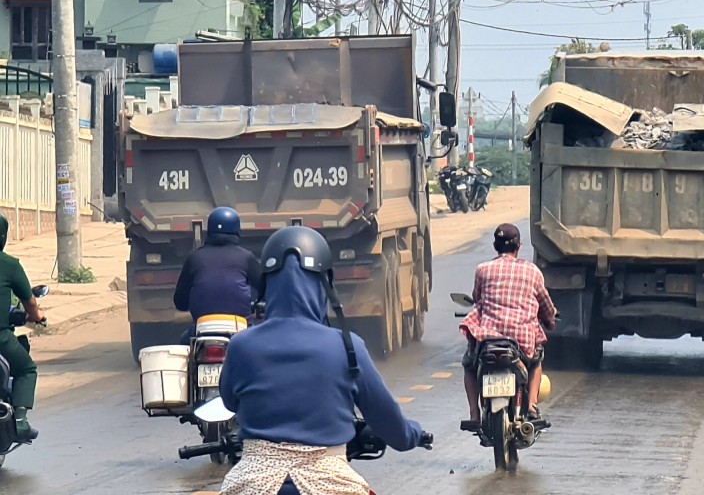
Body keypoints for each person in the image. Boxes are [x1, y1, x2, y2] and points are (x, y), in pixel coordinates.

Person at [218, 225, 430, 495]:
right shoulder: (348, 346)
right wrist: (411, 434)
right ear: (325, 284)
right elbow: (386, 420)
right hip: (330, 482)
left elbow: (229, 401)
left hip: (253, 481)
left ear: (266, 283)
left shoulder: (241, 345)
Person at [459, 223, 557, 432]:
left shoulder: (482, 270)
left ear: (495, 245)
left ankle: (474, 414)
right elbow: (545, 305)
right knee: (536, 361)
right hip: (521, 342)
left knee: (469, 364)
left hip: (488, 340)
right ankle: (531, 405)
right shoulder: (532, 271)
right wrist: (550, 320)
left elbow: (477, 298)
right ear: (519, 246)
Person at [173, 207, 261, 343]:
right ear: (237, 230)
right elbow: (264, 289)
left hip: (202, 329)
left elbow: (180, 302)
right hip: (241, 328)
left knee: (183, 348)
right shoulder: (246, 257)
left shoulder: (195, 258)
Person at [0, 213, 44, 441]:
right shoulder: (10, 265)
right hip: (2, 339)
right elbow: (31, 302)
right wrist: (37, 317)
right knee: (27, 369)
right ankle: (20, 422)